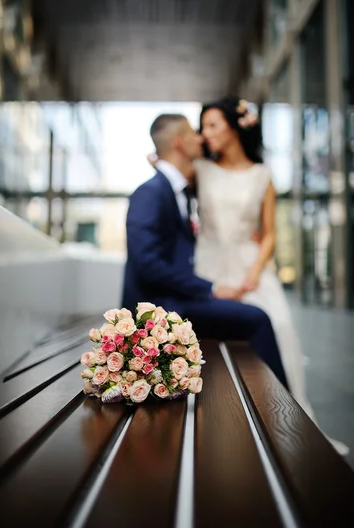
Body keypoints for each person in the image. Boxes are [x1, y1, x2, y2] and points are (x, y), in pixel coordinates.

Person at [194, 96, 348, 455]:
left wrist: (254, 273)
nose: (206, 133)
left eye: (213, 125)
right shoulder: (199, 168)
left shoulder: (263, 175)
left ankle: (286, 420)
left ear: (235, 127)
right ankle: (215, 420)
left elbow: (270, 233)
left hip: (250, 265)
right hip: (208, 265)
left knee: (278, 325)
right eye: (203, 126)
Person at [122, 113, 289, 388]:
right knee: (257, 318)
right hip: (161, 307)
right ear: (179, 142)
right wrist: (211, 288)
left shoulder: (175, 189)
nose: (200, 137)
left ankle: (264, 403)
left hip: (176, 297)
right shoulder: (150, 192)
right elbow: (148, 264)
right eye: (193, 133)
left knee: (253, 315)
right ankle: (280, 412)